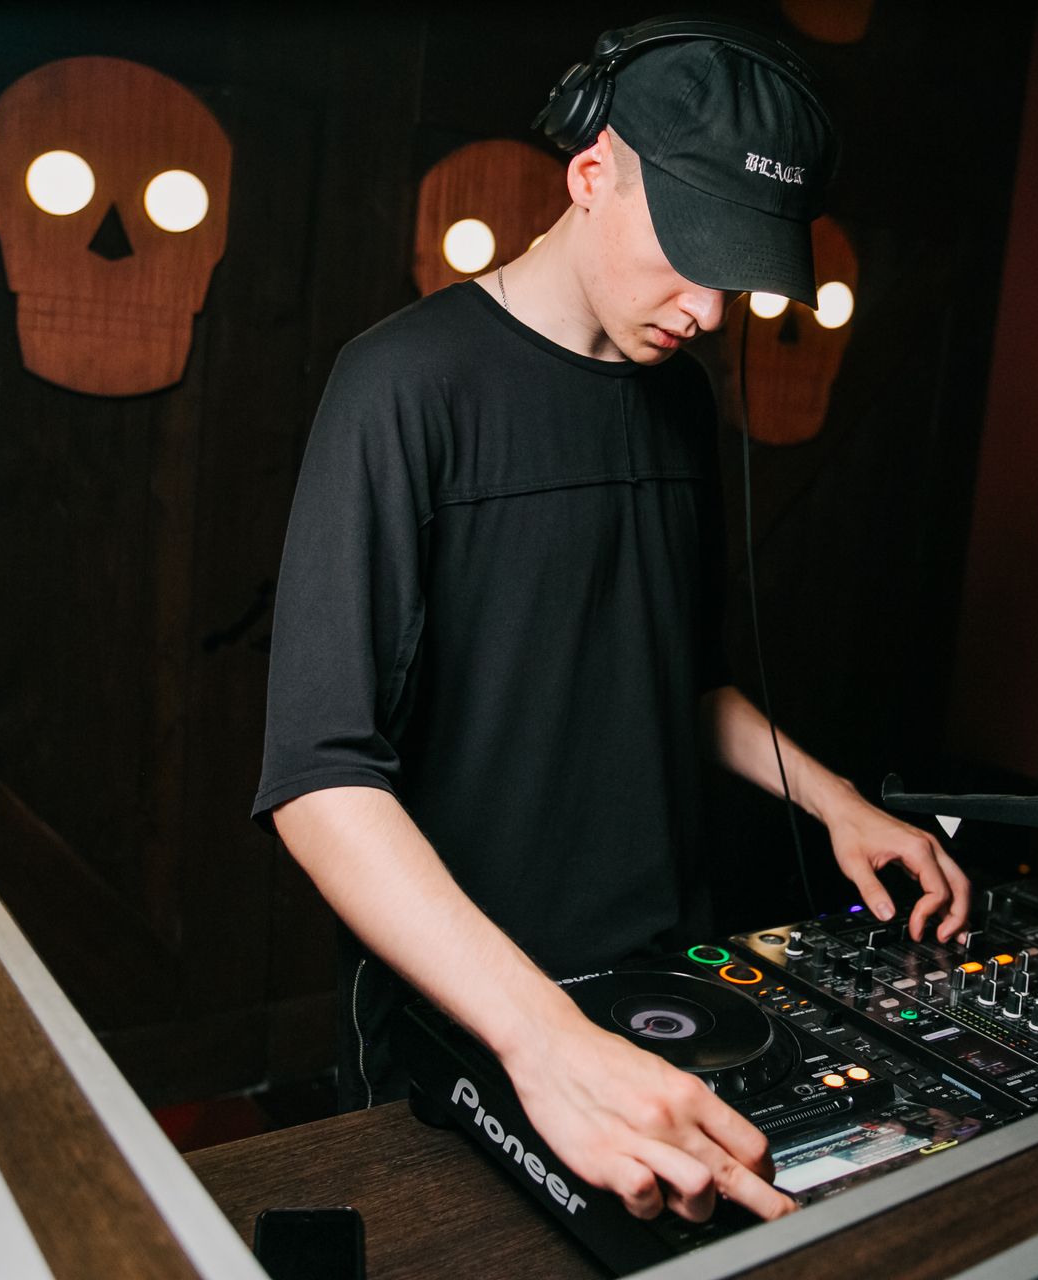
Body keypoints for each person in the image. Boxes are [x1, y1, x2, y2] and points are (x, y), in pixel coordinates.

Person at [252, 20, 970, 1227]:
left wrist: (838, 800)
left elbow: (676, 677)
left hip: (665, 974)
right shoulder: (401, 386)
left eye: (735, 277)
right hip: (471, 1005)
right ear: (592, 175)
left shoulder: (679, 400)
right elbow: (319, 783)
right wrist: (542, 1034)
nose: (708, 310)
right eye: (689, 257)